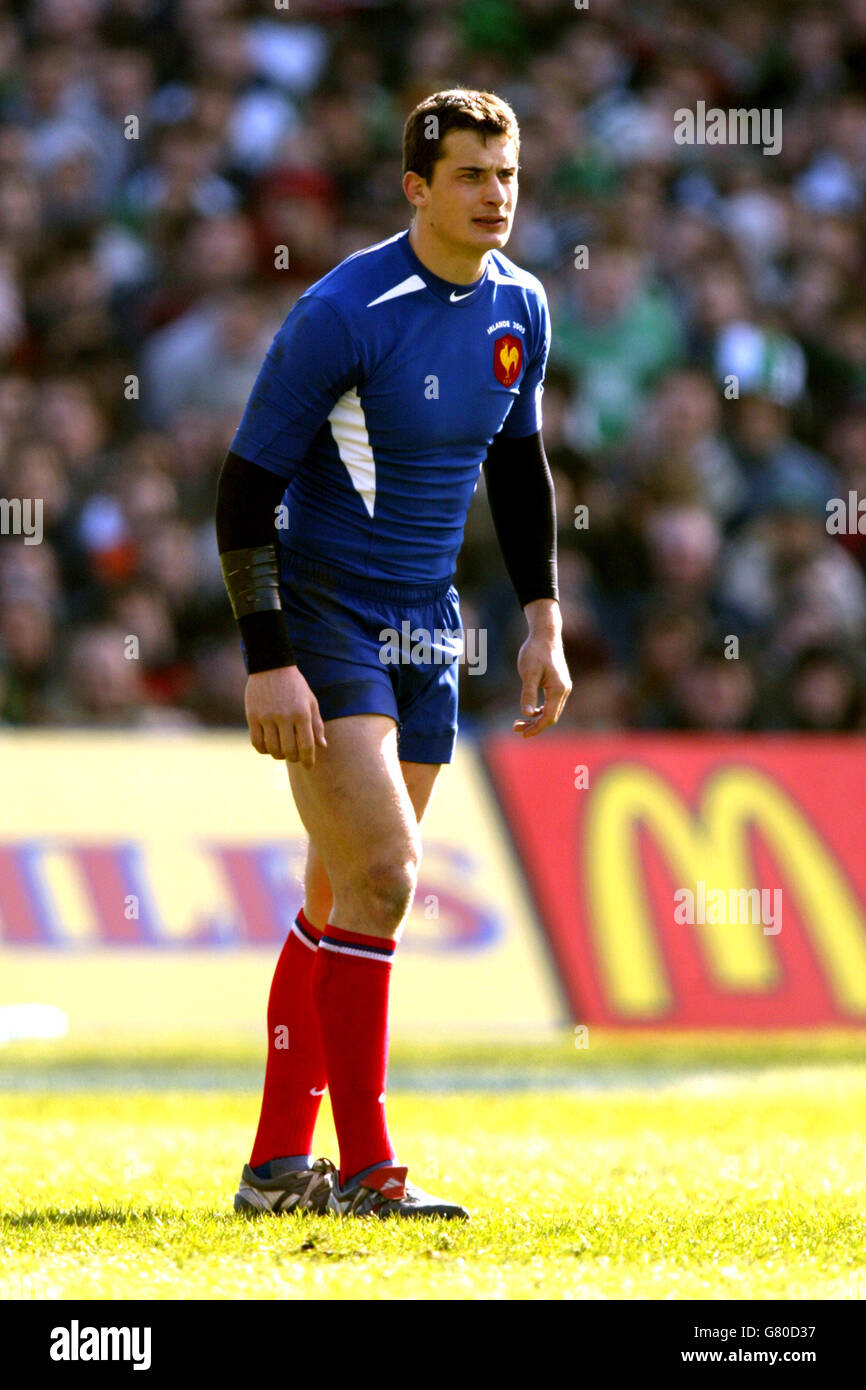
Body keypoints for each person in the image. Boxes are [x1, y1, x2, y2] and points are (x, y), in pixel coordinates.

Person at [215, 88, 571, 1221]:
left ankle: (275, 1169)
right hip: (324, 617)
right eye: (470, 175)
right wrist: (266, 656)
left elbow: (517, 469)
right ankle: (369, 1171)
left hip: (429, 625)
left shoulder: (522, 304)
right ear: (415, 187)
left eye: (505, 175)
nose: (494, 196)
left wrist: (542, 615)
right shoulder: (343, 310)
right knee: (383, 877)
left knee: (341, 890)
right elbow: (243, 487)